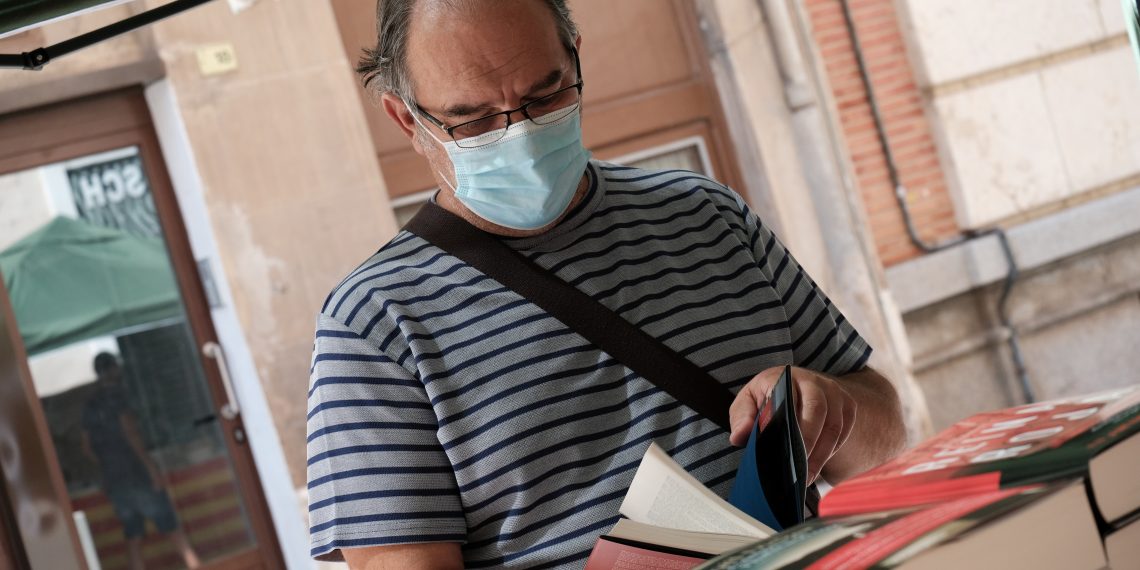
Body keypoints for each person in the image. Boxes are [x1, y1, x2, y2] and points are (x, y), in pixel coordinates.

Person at [306, 0, 907, 567]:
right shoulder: (372, 327)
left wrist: (832, 406)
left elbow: (883, 439)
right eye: (475, 119)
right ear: (407, 119)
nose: (521, 134)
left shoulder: (708, 215)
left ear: (576, 58)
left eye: (546, 95)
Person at [81, 352, 200, 570]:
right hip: (136, 472)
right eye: (116, 366)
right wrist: (151, 468)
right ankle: (194, 564)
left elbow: (86, 448)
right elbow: (131, 434)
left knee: (133, 534)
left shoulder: (91, 404)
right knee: (172, 529)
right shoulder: (119, 396)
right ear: (112, 369)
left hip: (114, 479)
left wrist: (108, 464)